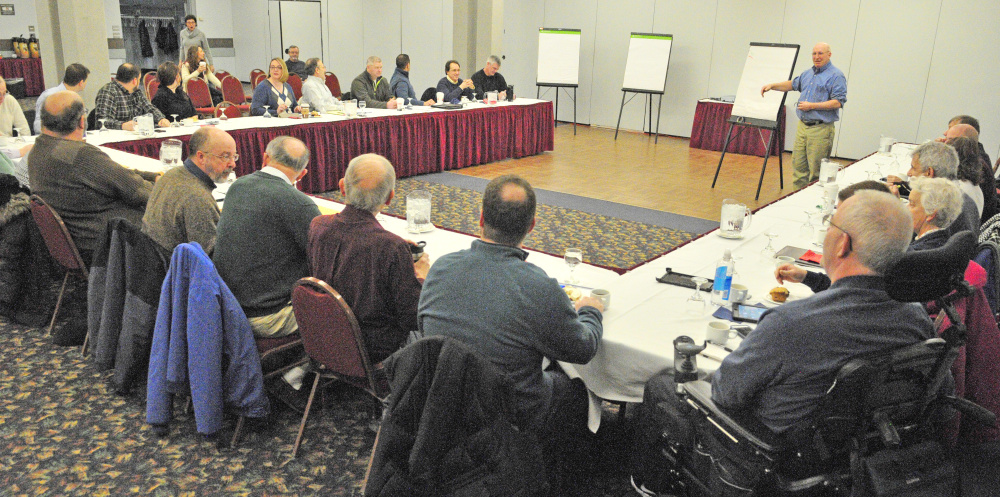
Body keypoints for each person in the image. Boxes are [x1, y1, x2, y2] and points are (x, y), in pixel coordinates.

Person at [632, 191, 934, 494]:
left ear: (843, 244)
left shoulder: (792, 323)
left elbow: (726, 393)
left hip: (770, 452)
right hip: (857, 448)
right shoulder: (916, 317)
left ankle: (650, 486)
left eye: (831, 224)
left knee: (665, 385)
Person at [418, 174, 604, 489]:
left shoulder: (440, 268)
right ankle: (560, 482)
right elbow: (583, 349)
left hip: (444, 399)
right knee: (573, 391)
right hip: (510, 412)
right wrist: (591, 311)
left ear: (480, 219)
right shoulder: (537, 286)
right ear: (531, 227)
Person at [308, 153, 428, 363]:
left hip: (323, 337)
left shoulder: (318, 225)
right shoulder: (390, 247)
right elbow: (412, 317)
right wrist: (422, 276)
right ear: (390, 198)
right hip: (371, 350)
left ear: (342, 187)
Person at [27, 91, 156, 258]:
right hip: (111, 246)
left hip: (75, 244)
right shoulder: (81, 155)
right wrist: (164, 186)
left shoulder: (38, 150)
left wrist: (151, 176)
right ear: (82, 121)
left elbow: (115, 176)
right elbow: (138, 191)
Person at [213, 136, 320, 338]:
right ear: (303, 174)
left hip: (226, 305)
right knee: (346, 304)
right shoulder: (299, 203)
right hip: (267, 317)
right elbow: (326, 259)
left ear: (265, 158)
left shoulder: (238, 186)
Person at [761, 43, 848, 189]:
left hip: (820, 129)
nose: (816, 57)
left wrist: (812, 106)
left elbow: (838, 102)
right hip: (803, 127)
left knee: (816, 172)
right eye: (814, 53)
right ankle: (797, 201)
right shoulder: (808, 74)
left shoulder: (836, 76)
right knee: (799, 168)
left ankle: (813, 204)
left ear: (829, 55)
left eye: (820, 53)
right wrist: (773, 86)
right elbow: (792, 84)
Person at [142, 127, 235, 255]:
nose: (232, 164)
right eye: (225, 156)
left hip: (153, 261)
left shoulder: (171, 174)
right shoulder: (197, 198)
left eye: (234, 157)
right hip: (175, 270)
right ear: (201, 157)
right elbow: (211, 258)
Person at [887, 141, 979, 237]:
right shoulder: (957, 197)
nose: (908, 173)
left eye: (913, 168)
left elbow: (906, 240)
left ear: (929, 173)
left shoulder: (943, 205)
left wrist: (895, 209)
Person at [943, 123, 997, 222]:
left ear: (962, 142)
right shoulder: (974, 165)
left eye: (950, 140)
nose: (944, 142)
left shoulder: (961, 184)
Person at [94, 63, 170, 130]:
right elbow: (102, 121)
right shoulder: (108, 91)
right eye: (139, 79)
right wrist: (123, 125)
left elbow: (149, 108)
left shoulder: (137, 92)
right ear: (134, 80)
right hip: (114, 139)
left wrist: (161, 119)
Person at [34, 63, 89, 135]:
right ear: (81, 83)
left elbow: (82, 126)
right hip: (51, 141)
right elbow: (38, 126)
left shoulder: (75, 98)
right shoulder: (50, 96)